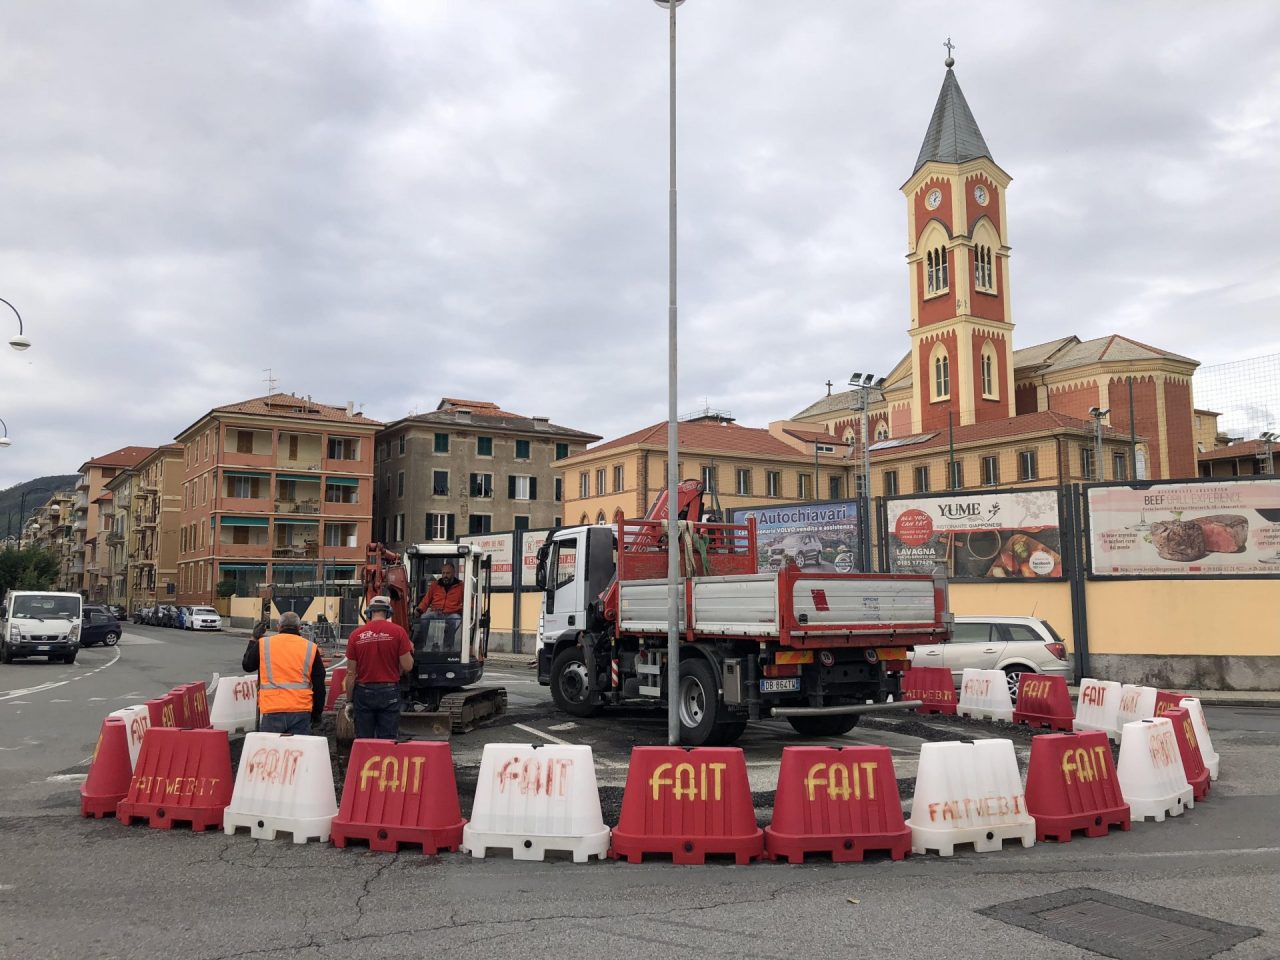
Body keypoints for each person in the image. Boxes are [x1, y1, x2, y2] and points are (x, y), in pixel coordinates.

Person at [241, 611, 326, 735]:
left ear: (279, 627)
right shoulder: (310, 647)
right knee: (297, 747)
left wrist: (254, 639)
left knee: (271, 747)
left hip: (272, 709)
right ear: (299, 628)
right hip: (300, 709)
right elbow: (319, 685)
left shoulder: (264, 644)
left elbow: (247, 666)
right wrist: (317, 713)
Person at [344, 596, 414, 739]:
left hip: (363, 692)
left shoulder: (355, 635)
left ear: (369, 612)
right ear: (388, 613)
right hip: (389, 692)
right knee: (388, 739)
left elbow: (351, 673)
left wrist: (349, 701)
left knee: (364, 739)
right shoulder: (398, 632)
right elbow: (407, 666)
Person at [415, 562, 463, 650]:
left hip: (452, 613)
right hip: (436, 612)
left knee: (454, 620)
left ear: (453, 573)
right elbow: (426, 599)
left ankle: (447, 647)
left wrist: (466, 611)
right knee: (424, 618)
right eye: (443, 573)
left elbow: (468, 601)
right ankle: (422, 646)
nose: (445, 576)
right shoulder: (435, 585)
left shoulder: (461, 586)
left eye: (448, 573)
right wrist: (420, 609)